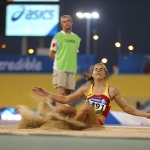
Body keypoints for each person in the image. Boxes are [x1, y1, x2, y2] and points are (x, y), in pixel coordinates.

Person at [32, 62, 150, 127]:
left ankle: (70, 126)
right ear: (92, 74)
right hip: (82, 118)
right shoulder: (85, 89)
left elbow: (127, 108)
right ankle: (45, 124)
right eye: (96, 69)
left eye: (101, 69)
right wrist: (47, 93)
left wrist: (145, 114)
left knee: (87, 106)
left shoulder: (112, 90)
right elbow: (65, 99)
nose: (98, 70)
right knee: (61, 107)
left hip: (95, 122)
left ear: (105, 74)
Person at [49, 15, 81, 106]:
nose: (66, 23)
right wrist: (59, 62)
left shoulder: (77, 39)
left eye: (68, 21)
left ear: (71, 23)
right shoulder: (57, 37)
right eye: (64, 22)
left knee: (68, 94)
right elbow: (51, 53)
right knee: (61, 92)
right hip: (60, 68)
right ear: (62, 25)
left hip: (71, 68)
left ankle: (64, 114)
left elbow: (73, 53)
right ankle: (58, 115)